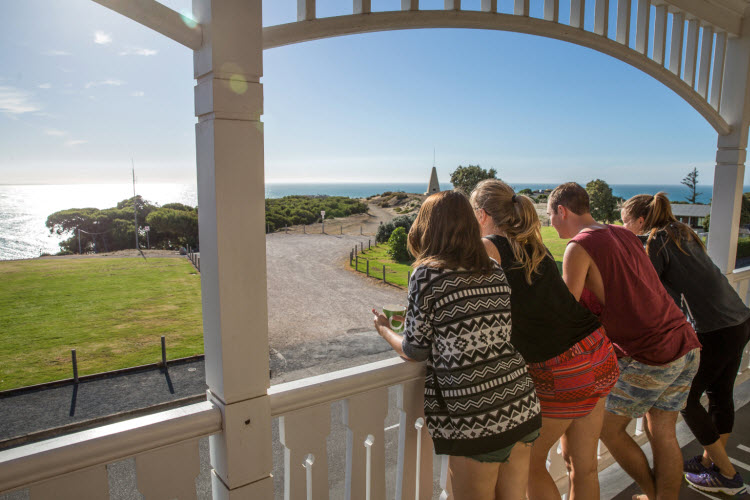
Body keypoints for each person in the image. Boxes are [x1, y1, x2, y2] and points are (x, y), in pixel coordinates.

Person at [372, 190, 542, 500]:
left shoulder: (426, 274)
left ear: (428, 226)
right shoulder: (493, 269)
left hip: (476, 414)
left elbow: (414, 350)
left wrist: (384, 330)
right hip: (519, 402)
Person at [547, 182, 701, 500]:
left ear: (561, 210)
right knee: (663, 432)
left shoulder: (579, 247)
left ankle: (651, 492)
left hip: (650, 353)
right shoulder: (623, 233)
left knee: (607, 429)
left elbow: (565, 315)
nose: (549, 222)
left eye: (550, 214)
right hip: (684, 342)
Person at [471, 179, 619, 500]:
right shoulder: (533, 244)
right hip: (597, 351)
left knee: (527, 466)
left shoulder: (489, 246)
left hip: (563, 368)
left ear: (482, 215)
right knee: (583, 465)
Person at [622, 192, 750, 495]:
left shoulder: (656, 242)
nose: (622, 226)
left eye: (625, 221)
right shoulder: (680, 231)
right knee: (719, 394)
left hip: (715, 329)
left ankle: (728, 475)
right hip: (740, 320)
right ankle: (710, 463)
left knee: (686, 401)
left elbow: (648, 292)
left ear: (641, 220)